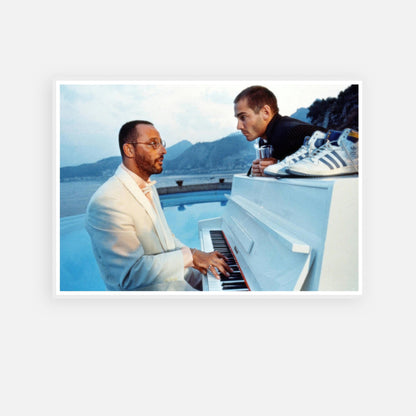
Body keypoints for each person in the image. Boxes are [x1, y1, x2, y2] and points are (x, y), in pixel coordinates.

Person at [86, 120, 232, 291]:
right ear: (129, 150)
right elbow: (130, 274)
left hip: (175, 282)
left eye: (161, 144)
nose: (163, 150)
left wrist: (199, 263)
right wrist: (191, 256)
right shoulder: (107, 201)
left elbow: (167, 242)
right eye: (153, 144)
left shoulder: (149, 187)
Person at [233, 85, 327, 176]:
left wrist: (279, 165)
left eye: (243, 117)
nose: (238, 126)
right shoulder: (265, 139)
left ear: (266, 112)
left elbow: (337, 144)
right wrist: (256, 170)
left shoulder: (292, 131)